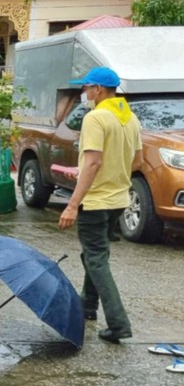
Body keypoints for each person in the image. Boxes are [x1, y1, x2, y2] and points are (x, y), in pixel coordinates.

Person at [59, 67, 142, 342]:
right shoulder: (130, 119)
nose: (84, 92)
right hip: (118, 199)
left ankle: (118, 324)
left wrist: (72, 205)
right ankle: (87, 305)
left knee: (96, 259)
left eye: (86, 88)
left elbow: (94, 162)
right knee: (94, 255)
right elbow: (137, 160)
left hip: (95, 200)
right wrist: (88, 170)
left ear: (99, 90)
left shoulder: (95, 118)